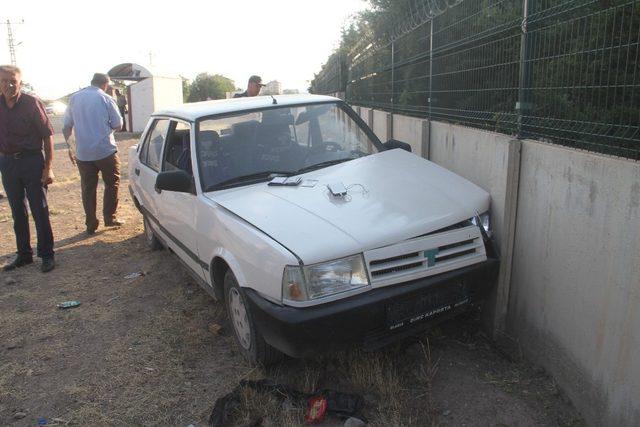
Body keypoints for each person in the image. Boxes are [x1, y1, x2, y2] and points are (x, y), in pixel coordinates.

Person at [0, 65, 56, 272]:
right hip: (7, 163)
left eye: (13, 80)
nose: (9, 85)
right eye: (4, 81)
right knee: (17, 210)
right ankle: (24, 255)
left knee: (39, 209)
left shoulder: (31, 103)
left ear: (20, 82)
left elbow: (47, 135)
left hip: (32, 161)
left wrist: (48, 167)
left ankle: (47, 255)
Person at [63, 73, 123, 234]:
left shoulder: (74, 98)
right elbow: (118, 124)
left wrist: (71, 148)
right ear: (105, 84)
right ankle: (109, 218)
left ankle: (91, 223)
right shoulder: (105, 98)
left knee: (88, 188)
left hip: (83, 152)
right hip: (105, 150)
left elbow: (66, 126)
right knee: (112, 183)